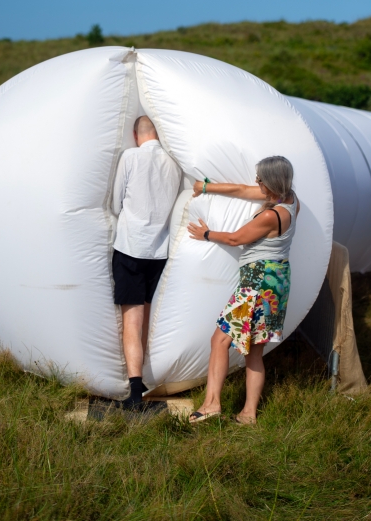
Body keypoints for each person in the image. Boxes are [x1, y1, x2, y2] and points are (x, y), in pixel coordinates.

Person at [187, 156, 300, 425]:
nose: (256, 183)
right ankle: (248, 414)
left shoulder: (273, 215)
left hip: (258, 283)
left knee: (220, 340)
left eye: (260, 179)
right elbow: (240, 189)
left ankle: (212, 404)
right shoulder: (291, 199)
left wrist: (206, 234)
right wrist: (205, 188)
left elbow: (237, 238)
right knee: (254, 351)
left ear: (271, 183)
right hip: (276, 281)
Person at [111, 115, 181, 409]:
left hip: (130, 246)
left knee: (132, 319)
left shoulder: (130, 156)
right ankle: (148, 380)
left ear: (135, 134)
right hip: (159, 250)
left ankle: (135, 392)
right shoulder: (173, 164)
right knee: (147, 320)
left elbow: (116, 204)